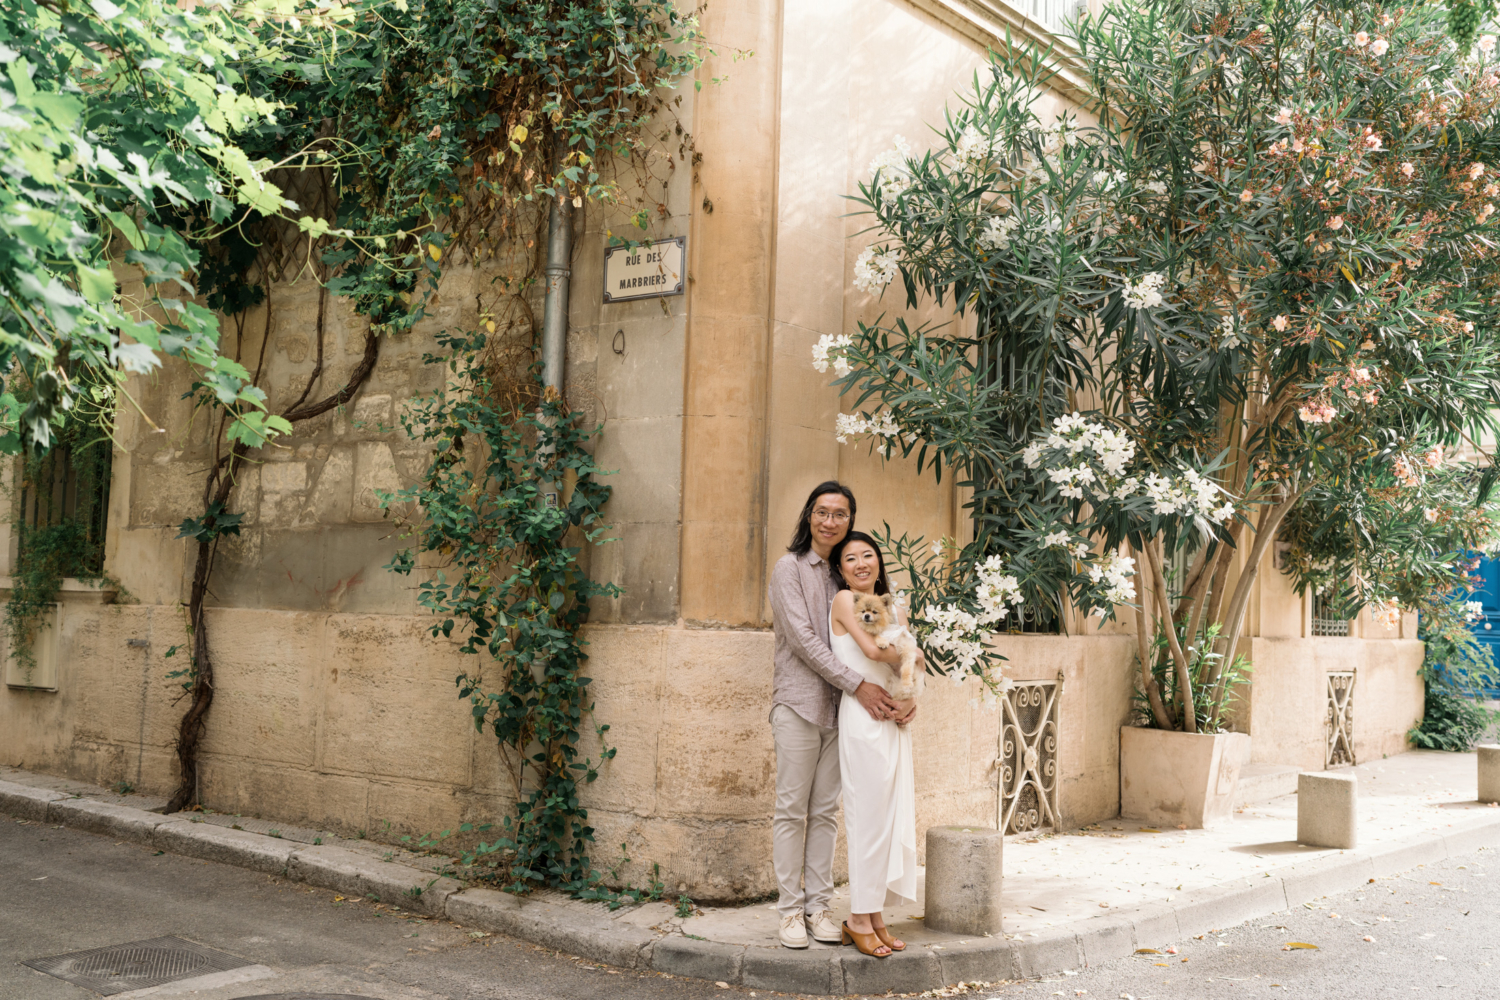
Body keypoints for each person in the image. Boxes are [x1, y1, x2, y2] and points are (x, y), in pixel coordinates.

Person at [767, 482, 913, 950]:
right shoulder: (789, 569)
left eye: (841, 514)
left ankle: (819, 908)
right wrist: (859, 685)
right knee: (792, 809)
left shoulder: (845, 579)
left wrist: (902, 692)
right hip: (800, 702)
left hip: (843, 713)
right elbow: (804, 641)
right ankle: (791, 910)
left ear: (851, 520)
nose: (831, 521)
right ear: (809, 515)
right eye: (823, 512)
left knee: (826, 812)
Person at [828, 530, 919, 959]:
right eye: (851, 558)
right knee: (866, 818)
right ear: (841, 568)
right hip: (862, 718)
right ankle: (857, 918)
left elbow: (915, 663)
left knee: (889, 816)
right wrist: (911, 651)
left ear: (879, 561)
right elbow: (876, 651)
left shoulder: (892, 605)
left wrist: (912, 699)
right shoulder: (845, 601)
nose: (861, 564)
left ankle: (876, 915)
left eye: (868, 555)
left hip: (892, 718)